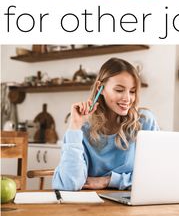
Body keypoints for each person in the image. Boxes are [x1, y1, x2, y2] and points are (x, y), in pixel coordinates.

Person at [52, 57, 159, 191]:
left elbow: (155, 176)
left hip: (131, 205)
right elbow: (69, 185)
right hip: (90, 207)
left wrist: (108, 181)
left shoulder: (144, 122)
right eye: (119, 90)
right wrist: (75, 126)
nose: (127, 98)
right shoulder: (83, 127)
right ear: (100, 88)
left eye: (132, 91)